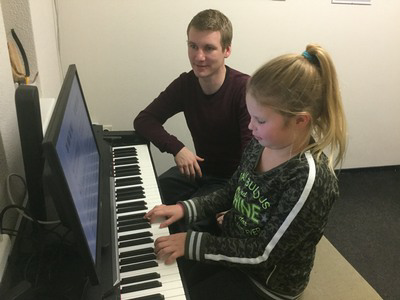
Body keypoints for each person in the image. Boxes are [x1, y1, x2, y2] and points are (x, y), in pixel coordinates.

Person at [144, 44, 347, 300]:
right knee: (167, 269)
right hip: (233, 246)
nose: (250, 126)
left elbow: (263, 253)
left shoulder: (309, 179)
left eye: (260, 120)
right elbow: (231, 190)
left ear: (300, 121)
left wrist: (192, 243)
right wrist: (186, 208)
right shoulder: (259, 144)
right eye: (250, 116)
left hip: (265, 281)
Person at [133, 9, 252, 206]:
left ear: (227, 50)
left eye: (209, 48)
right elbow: (144, 120)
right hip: (199, 171)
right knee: (147, 198)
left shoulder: (244, 90)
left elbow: (251, 158)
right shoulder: (186, 84)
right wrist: (177, 148)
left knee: (187, 219)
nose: (199, 57)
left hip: (231, 182)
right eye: (193, 46)